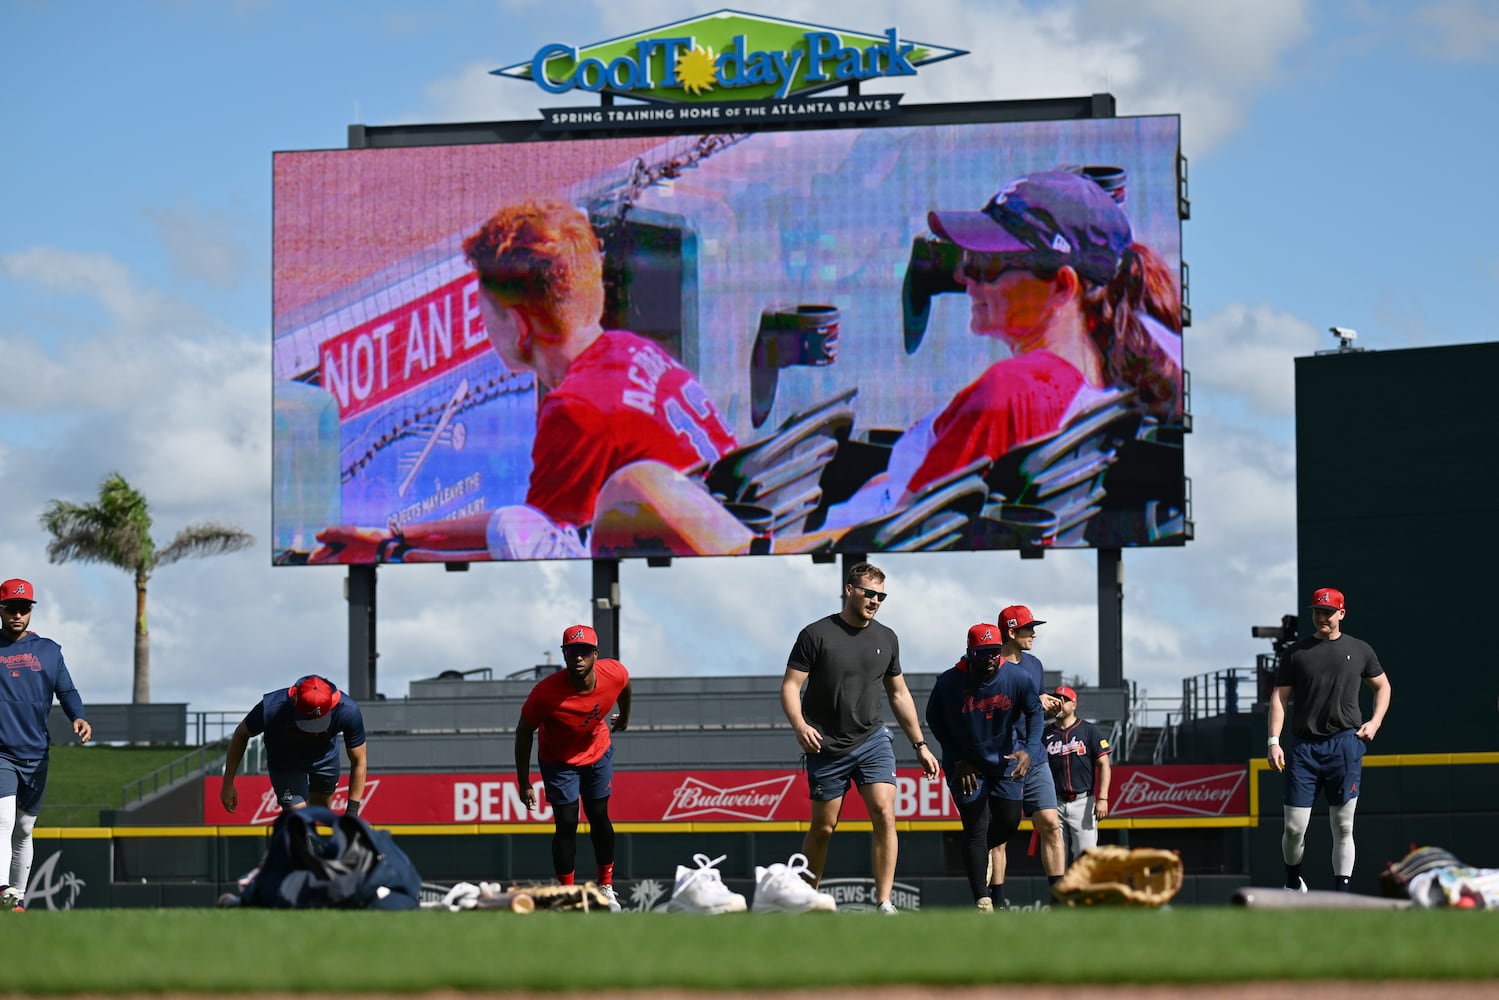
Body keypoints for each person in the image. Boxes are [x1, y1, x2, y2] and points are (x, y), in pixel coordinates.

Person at [311, 198, 737, 563]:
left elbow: (532, 562)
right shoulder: (631, 349)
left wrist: (389, 556)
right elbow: (519, 529)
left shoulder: (577, 412)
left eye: (486, 316)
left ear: (518, 327)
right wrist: (398, 536)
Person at [823, 169, 1182, 528]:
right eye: (969, 258)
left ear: (1060, 286)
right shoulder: (1105, 376)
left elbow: (899, 532)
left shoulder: (1011, 392)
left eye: (987, 264)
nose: (965, 277)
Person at [780, 562, 941, 914]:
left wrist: (921, 745)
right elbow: (791, 687)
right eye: (870, 593)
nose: (876, 601)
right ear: (850, 590)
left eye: (881, 596)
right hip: (826, 745)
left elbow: (899, 694)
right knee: (823, 828)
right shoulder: (815, 634)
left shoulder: (887, 637)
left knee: (884, 812)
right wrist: (799, 725)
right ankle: (807, 900)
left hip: (872, 740)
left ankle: (884, 902)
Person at [1268, 587, 1391, 892]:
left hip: (1345, 745)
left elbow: (1383, 687)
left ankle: (1342, 896)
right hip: (1303, 747)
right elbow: (1279, 698)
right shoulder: (1296, 652)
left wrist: (1374, 722)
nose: (1322, 617)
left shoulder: (1360, 649)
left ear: (1341, 614)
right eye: (1317, 611)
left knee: (1344, 826)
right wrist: (1273, 741)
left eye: (1328, 611)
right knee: (1294, 828)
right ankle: (1293, 884)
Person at [925, 623, 1044, 911]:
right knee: (976, 827)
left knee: (1008, 821)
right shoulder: (950, 682)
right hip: (965, 765)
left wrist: (1029, 749)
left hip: (1005, 759)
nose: (989, 658)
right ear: (969, 652)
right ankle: (983, 898)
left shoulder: (1017, 677)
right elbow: (934, 720)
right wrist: (956, 758)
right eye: (982, 653)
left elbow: (1035, 713)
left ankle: (975, 853)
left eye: (994, 651)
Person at [515, 624, 632, 912]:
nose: (578, 658)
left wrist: (625, 718)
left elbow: (625, 686)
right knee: (566, 824)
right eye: (571, 651)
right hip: (559, 762)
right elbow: (523, 732)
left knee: (598, 815)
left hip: (597, 753)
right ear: (564, 655)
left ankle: (606, 887)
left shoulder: (613, 672)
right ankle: (567, 896)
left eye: (584, 651)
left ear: (595, 654)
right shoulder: (544, 694)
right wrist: (524, 782)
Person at [0, 579, 91, 912]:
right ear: (1, 610)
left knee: (24, 828)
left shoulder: (49, 651)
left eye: (24, 608)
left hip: (36, 752)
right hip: (2, 752)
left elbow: (66, 691)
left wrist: (77, 717)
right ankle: (1, 887)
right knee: (4, 820)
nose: (17, 614)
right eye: (11, 608)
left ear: (30, 611)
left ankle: (17, 899)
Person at [986, 604, 1066, 906]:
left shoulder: (1034, 664)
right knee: (1002, 831)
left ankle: (1058, 899)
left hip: (1034, 753)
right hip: (1003, 756)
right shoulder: (991, 664)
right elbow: (993, 708)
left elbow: (1032, 714)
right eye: (1028, 628)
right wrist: (1034, 700)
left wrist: (1047, 708)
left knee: (1050, 823)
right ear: (1011, 631)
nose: (1033, 633)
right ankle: (996, 899)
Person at [221, 675, 367, 819]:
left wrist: (352, 814)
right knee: (298, 818)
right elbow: (241, 735)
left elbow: (359, 761)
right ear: (294, 701)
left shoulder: (348, 711)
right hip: (285, 763)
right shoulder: (271, 708)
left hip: (325, 759)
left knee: (321, 810)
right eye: (308, 722)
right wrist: (228, 783)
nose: (315, 731)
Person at [1043, 684, 1113, 868]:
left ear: (1074, 704)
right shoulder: (1045, 734)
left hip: (1083, 801)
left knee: (1085, 858)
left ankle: (1083, 896)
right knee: (1055, 857)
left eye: (1064, 700)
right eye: (1057, 699)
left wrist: (1103, 798)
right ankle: (1058, 895)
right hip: (1053, 803)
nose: (1059, 703)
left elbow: (1104, 764)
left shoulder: (1089, 730)